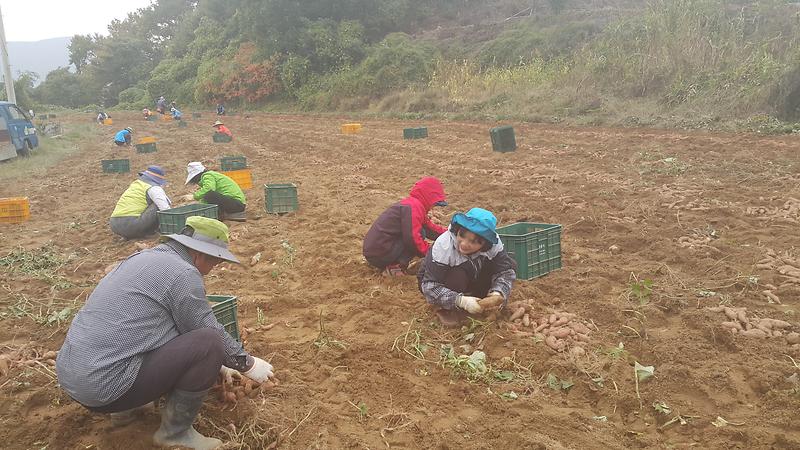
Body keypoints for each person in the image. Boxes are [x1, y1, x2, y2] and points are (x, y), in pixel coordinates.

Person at [56, 216, 274, 449]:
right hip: (107, 388)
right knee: (209, 342)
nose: (212, 271)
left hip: (75, 379)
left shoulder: (142, 258)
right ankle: (175, 433)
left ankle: (126, 412)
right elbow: (205, 328)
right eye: (215, 263)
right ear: (199, 254)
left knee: (148, 330)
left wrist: (221, 364)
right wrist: (248, 364)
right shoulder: (183, 274)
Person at [417, 207, 516, 327]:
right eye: (462, 235)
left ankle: (479, 302)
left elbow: (505, 271)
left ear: (484, 243)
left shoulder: (493, 244)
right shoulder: (444, 246)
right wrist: (460, 301)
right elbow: (429, 286)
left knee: (510, 263)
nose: (464, 244)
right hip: (442, 281)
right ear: (457, 230)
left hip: (473, 273)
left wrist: (498, 293)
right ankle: (449, 309)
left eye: (473, 242)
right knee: (457, 277)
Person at [362, 176, 448, 276]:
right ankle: (394, 267)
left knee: (421, 231)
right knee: (419, 233)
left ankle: (392, 264)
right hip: (380, 252)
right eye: (434, 204)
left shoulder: (412, 205)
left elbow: (430, 228)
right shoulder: (414, 208)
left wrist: (449, 233)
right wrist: (430, 254)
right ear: (430, 198)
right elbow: (412, 238)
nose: (433, 207)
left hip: (375, 250)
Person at [109, 165, 172, 239]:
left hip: (114, 224)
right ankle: (147, 232)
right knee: (159, 204)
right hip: (131, 225)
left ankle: (131, 234)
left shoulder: (136, 184)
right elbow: (165, 209)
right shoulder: (154, 188)